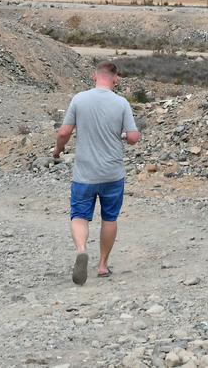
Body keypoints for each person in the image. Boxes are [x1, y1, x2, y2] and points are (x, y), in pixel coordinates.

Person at [54, 62, 140, 285]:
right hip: (112, 173)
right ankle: (102, 265)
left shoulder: (79, 99)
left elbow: (64, 132)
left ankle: (82, 250)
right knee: (109, 218)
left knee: (79, 215)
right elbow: (133, 137)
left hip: (84, 173)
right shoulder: (121, 103)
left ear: (94, 77)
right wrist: (121, 135)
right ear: (116, 79)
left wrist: (58, 150)